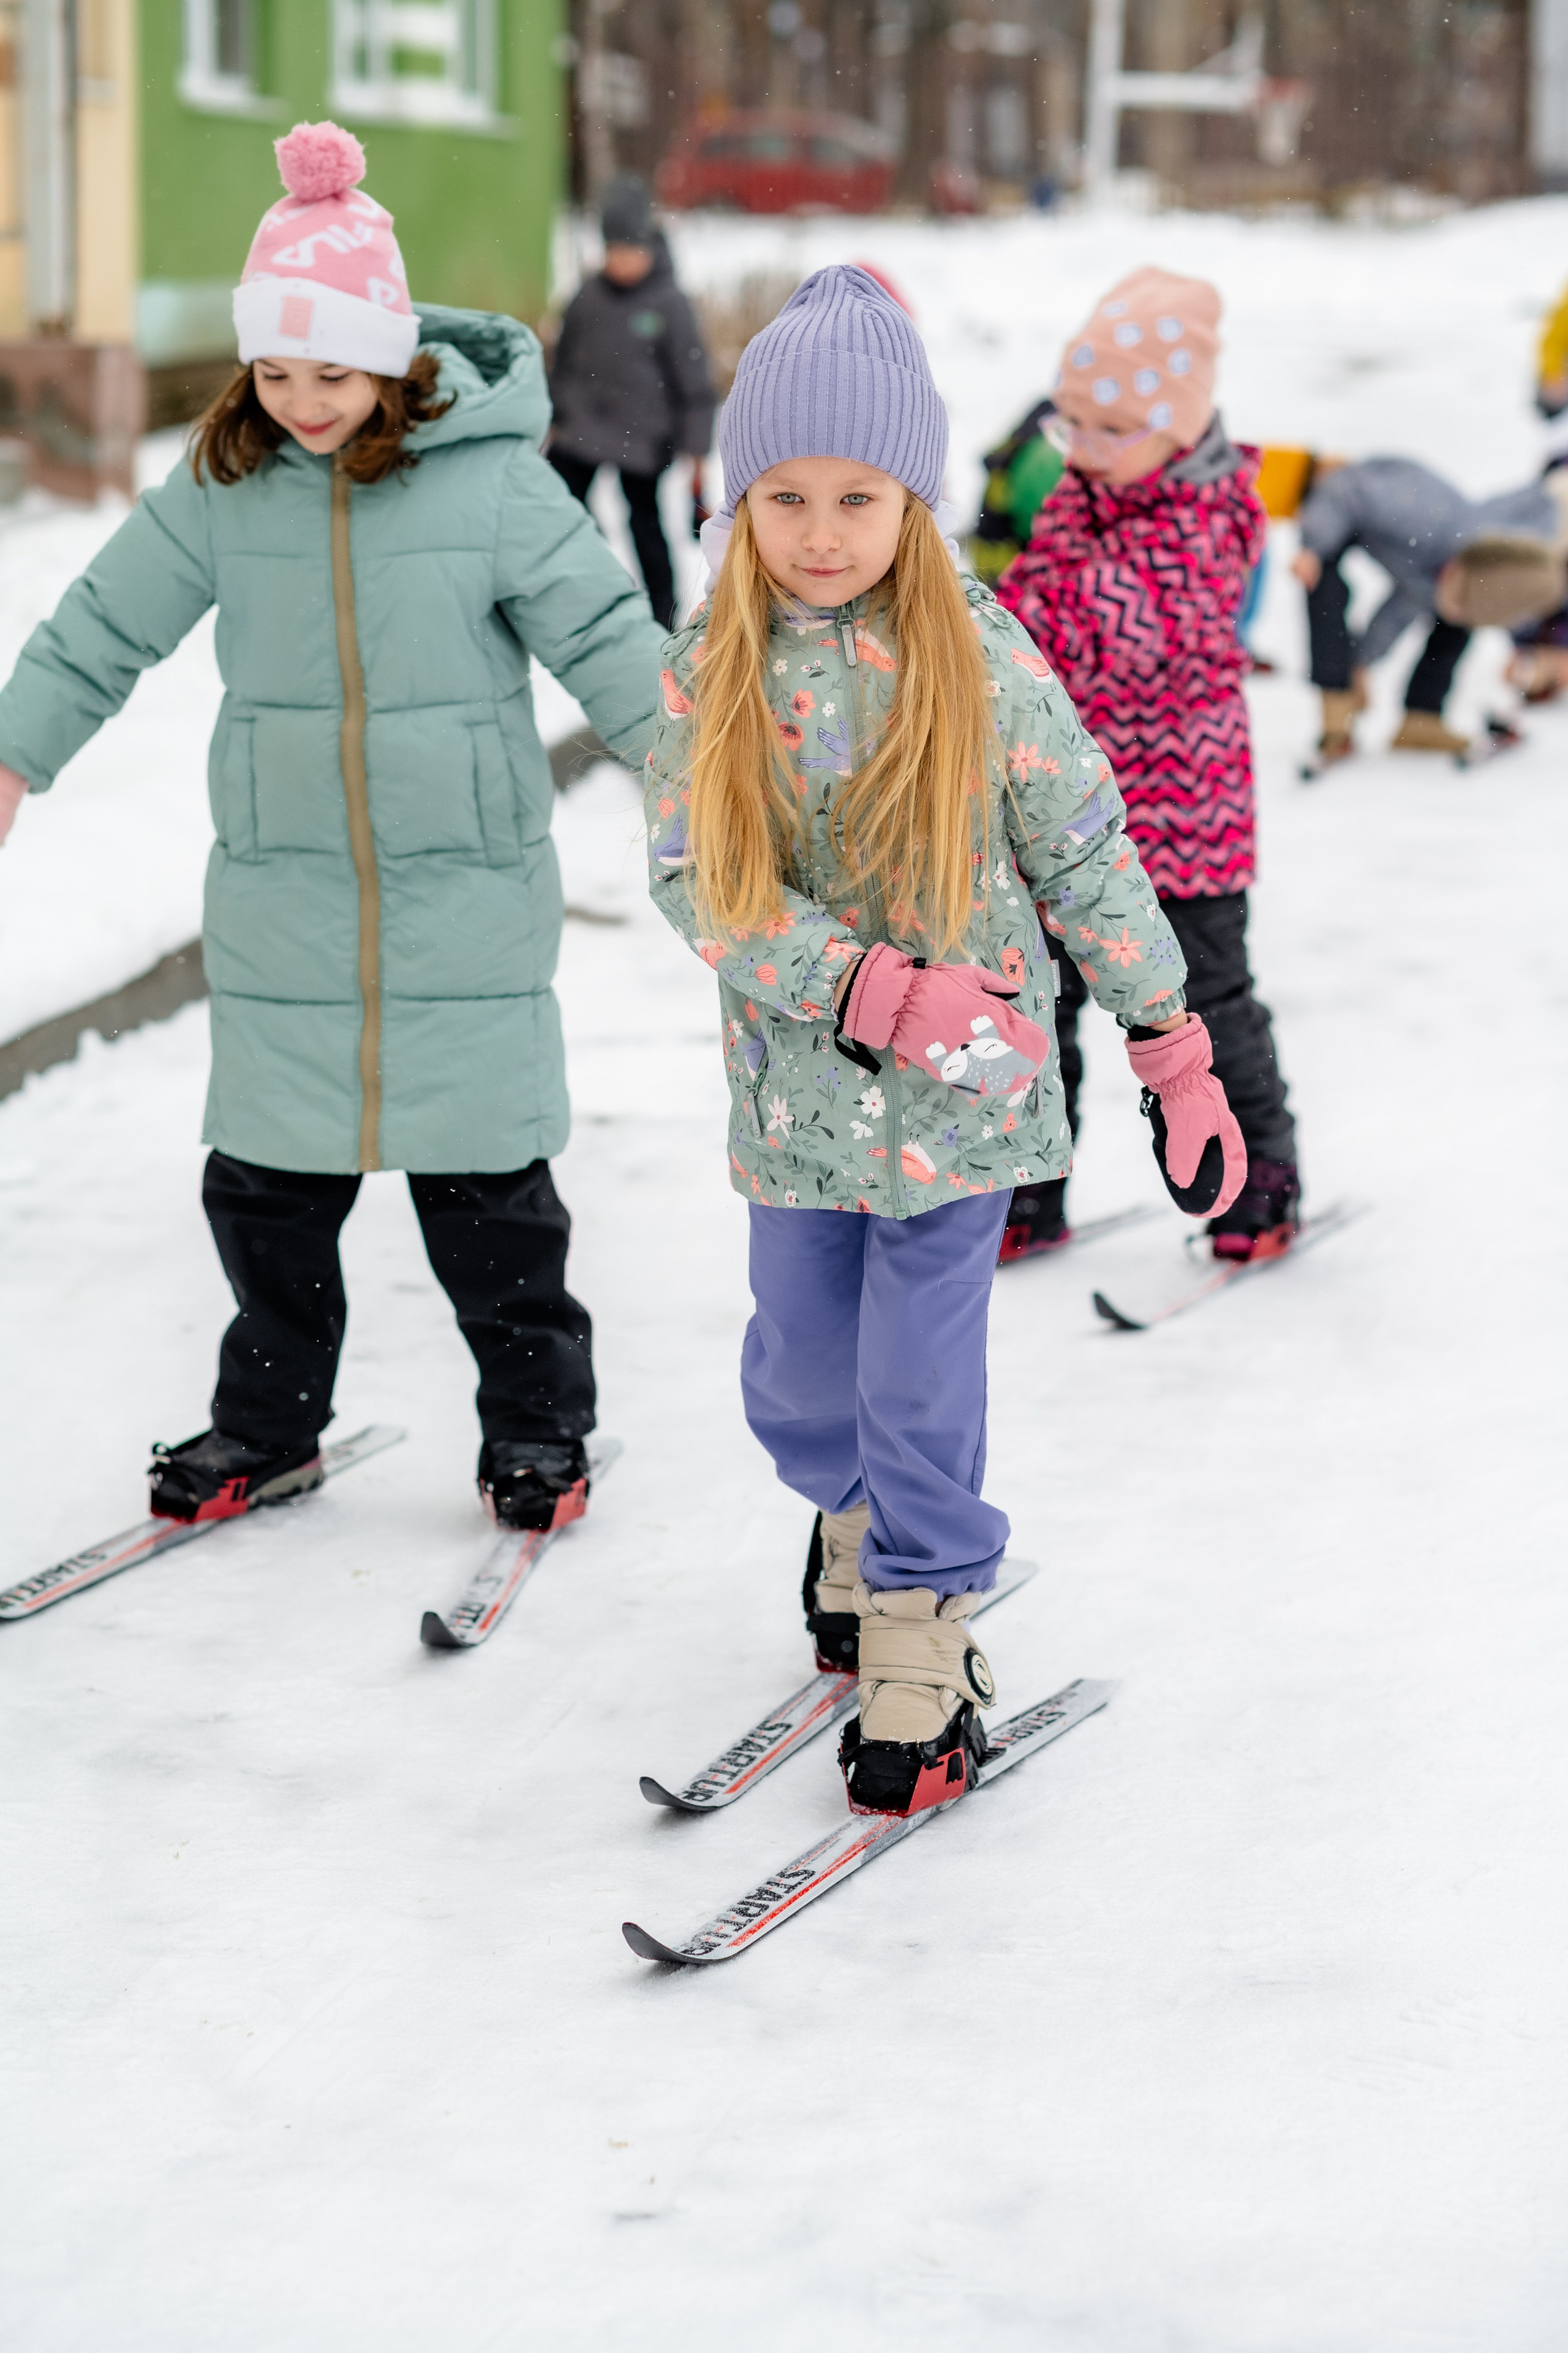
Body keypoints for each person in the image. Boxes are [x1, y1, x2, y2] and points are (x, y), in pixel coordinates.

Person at [0, 123, 666, 1531]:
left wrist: (694, 765)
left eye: (334, 372)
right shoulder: (225, 490)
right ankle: (269, 1424)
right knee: (265, 1202)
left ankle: (539, 1425)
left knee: (493, 1208)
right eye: (279, 371)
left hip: (464, 898)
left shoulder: (491, 480)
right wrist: (16, 754)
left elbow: (605, 634)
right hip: (286, 895)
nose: (304, 401)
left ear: (395, 360)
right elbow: (101, 627)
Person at [644, 266, 1240, 1818]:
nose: (821, 532)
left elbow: (1087, 846)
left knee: (918, 1376)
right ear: (738, 499)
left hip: (964, 1107)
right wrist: (858, 989)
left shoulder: (979, 655)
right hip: (797, 1103)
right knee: (792, 1370)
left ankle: (919, 1630)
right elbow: (692, 881)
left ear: (912, 497)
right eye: (784, 496)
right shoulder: (716, 666)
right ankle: (842, 1512)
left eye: (858, 495)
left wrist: (1168, 1038)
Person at [999, 267, 1297, 1265]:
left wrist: (1023, 625)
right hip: (1071, 822)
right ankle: (1026, 1192)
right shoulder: (1081, 499)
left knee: (1203, 1005)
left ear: (1178, 426)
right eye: (1068, 425)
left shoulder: (1214, 518)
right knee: (1037, 1001)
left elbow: (1114, 623)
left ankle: (1258, 1191)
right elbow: (1032, 607)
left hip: (1183, 824)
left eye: (1107, 428)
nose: (1078, 449)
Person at [1290, 456, 1567, 761]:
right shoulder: (1422, 521)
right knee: (1323, 584)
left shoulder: (1433, 582)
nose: (1452, 613)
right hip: (1336, 500)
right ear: (1452, 572)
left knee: (1451, 622)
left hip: (1413, 551)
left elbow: (1394, 617)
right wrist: (1313, 546)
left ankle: (1422, 719)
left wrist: (1362, 664)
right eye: (1455, 603)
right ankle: (1335, 709)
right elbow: (1345, 487)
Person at [547, 174, 715, 630]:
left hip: (643, 435)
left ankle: (663, 613)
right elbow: (564, 363)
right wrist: (554, 416)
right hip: (582, 426)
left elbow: (694, 380)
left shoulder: (669, 303)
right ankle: (586, 587)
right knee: (555, 506)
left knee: (644, 523)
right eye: (613, 251)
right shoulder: (587, 297)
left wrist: (696, 450)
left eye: (631, 251)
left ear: (650, 245)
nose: (622, 262)